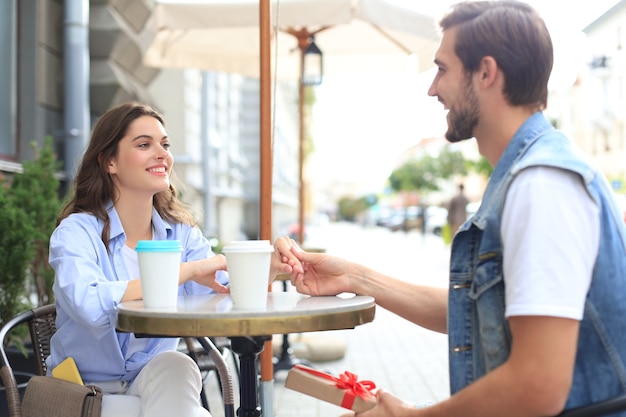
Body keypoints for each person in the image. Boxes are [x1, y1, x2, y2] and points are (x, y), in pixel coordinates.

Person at [284, 1, 626, 416]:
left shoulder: (542, 185)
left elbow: (538, 385)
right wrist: (355, 277)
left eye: (442, 69)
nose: (433, 89)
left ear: (486, 72)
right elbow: (484, 311)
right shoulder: (530, 175)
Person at [47, 102, 301, 417]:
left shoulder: (180, 232)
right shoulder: (76, 232)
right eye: (144, 144)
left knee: (177, 363)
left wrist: (270, 268)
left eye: (165, 145)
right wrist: (186, 271)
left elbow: (221, 301)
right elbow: (87, 303)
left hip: (152, 382)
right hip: (85, 393)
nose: (162, 154)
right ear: (109, 161)